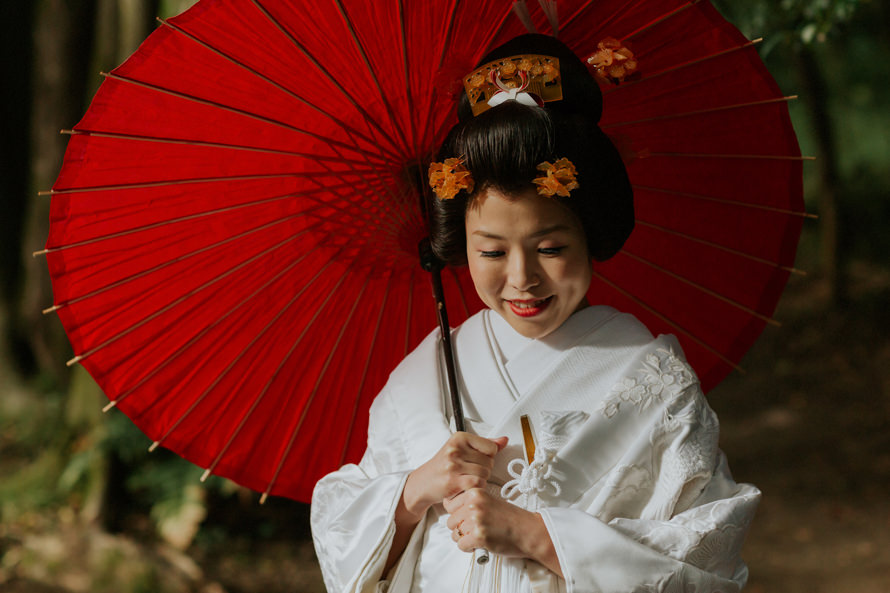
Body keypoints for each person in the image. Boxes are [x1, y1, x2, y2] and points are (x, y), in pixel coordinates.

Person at [311, 34, 759, 593]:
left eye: (550, 248)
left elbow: (706, 552)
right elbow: (341, 532)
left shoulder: (653, 380)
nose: (522, 278)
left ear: (590, 233)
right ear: (461, 247)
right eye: (492, 252)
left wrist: (538, 536)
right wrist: (415, 491)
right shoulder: (422, 375)